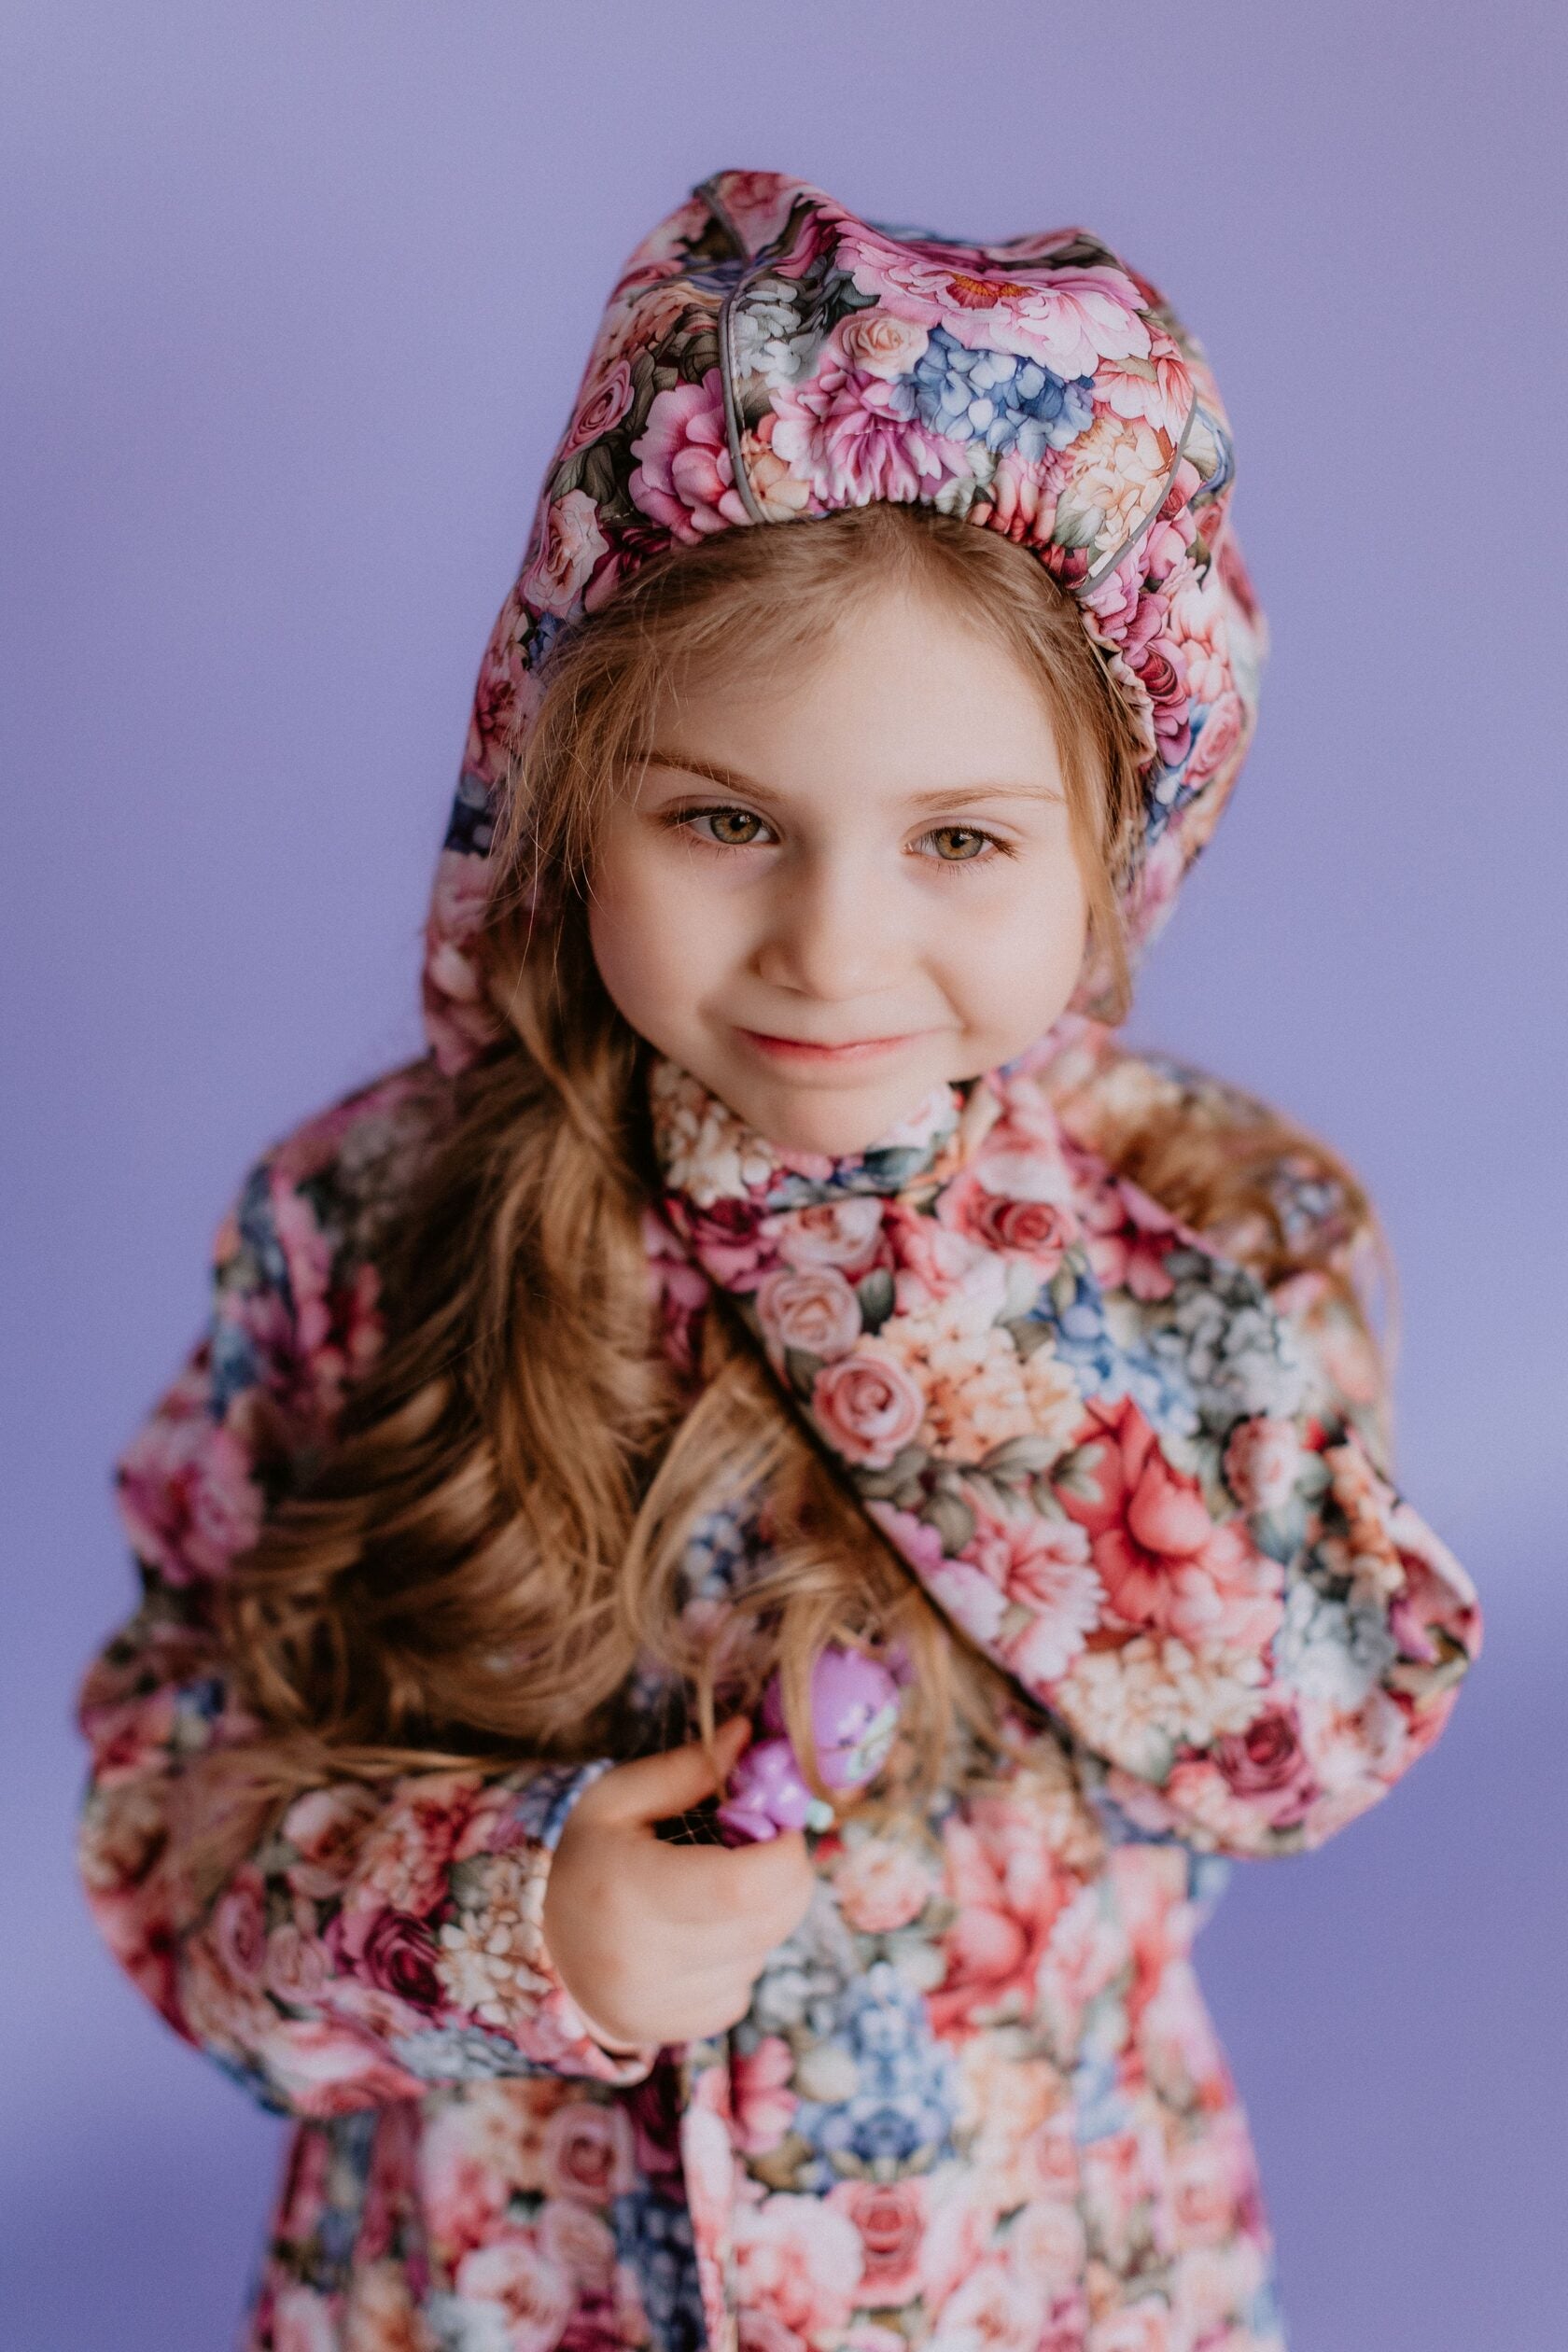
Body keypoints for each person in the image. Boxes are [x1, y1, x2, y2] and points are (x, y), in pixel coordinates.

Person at [77, 169, 1483, 2352]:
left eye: (961, 842)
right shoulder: (363, 1220)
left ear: (1121, 846)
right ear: (562, 788)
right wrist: (509, 1919)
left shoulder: (1207, 1232)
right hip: (478, 2296)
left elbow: (1303, 1731)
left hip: (1028, 2294)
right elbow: (170, 1812)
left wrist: (882, 1241)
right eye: (724, 822)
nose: (834, 947)